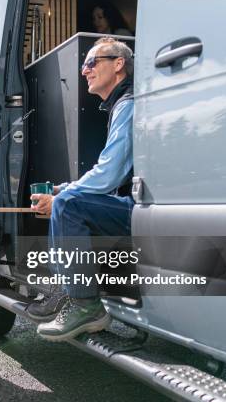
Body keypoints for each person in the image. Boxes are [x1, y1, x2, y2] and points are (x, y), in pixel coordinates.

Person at [28, 37, 134, 341]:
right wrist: (65, 188)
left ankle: (85, 304)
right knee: (68, 200)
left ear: (118, 64)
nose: (84, 71)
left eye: (91, 63)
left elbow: (109, 174)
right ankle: (65, 291)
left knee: (68, 205)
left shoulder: (128, 104)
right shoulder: (120, 104)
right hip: (130, 204)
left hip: (141, 207)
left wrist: (63, 194)